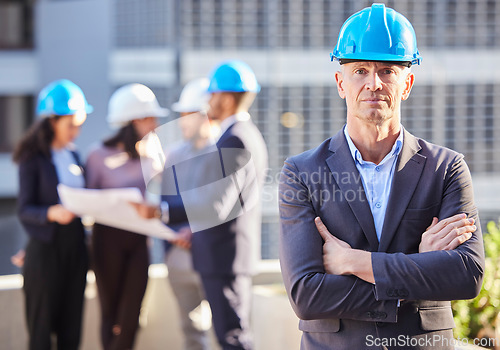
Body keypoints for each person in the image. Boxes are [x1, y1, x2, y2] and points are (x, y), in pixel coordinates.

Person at [278, 4, 485, 350]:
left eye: (387, 71)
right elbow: (306, 294)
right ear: (340, 82)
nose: (373, 83)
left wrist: (354, 262)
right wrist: (418, 269)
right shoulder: (302, 173)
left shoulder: (446, 168)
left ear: (407, 84)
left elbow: (467, 275)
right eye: (360, 70)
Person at [132, 60, 269, 350]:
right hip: (224, 256)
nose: (208, 102)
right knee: (231, 335)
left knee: (232, 338)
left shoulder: (235, 140)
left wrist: (161, 210)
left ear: (227, 98)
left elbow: (216, 205)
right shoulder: (241, 136)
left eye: (212, 95)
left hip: (224, 257)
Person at [85, 83, 168, 350]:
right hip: (106, 240)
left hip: (138, 241)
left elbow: (164, 191)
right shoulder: (98, 156)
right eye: (150, 118)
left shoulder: (150, 152)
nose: (155, 125)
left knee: (132, 314)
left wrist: (155, 156)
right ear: (134, 120)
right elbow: (87, 201)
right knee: (110, 313)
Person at [14, 79, 92, 350]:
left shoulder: (73, 155)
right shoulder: (32, 158)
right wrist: (51, 213)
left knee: (72, 330)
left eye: (79, 125)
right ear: (52, 120)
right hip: (46, 250)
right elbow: (24, 209)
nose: (75, 132)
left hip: (75, 249)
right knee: (42, 331)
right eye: (70, 125)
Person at [161, 77, 214, 350]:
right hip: (179, 257)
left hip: (214, 256)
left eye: (188, 115)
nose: (182, 122)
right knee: (191, 331)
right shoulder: (174, 155)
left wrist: (193, 231)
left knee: (224, 330)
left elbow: (222, 206)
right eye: (180, 115)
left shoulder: (223, 153)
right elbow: (165, 206)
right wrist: (171, 239)